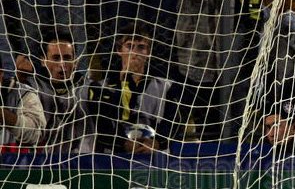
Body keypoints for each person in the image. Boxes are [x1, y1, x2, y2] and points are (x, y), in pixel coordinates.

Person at [85, 22, 184, 154]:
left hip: (155, 157)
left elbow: (175, 122)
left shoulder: (168, 87)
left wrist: (158, 142)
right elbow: (101, 125)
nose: (135, 53)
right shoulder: (100, 88)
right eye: (129, 46)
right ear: (119, 51)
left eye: (141, 47)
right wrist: (123, 143)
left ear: (148, 52)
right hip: (114, 158)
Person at [31, 28, 91, 156]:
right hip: (39, 163)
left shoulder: (91, 89)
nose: (62, 64)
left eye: (67, 57)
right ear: (43, 60)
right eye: (56, 58)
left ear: (76, 62)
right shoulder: (30, 87)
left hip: (82, 164)